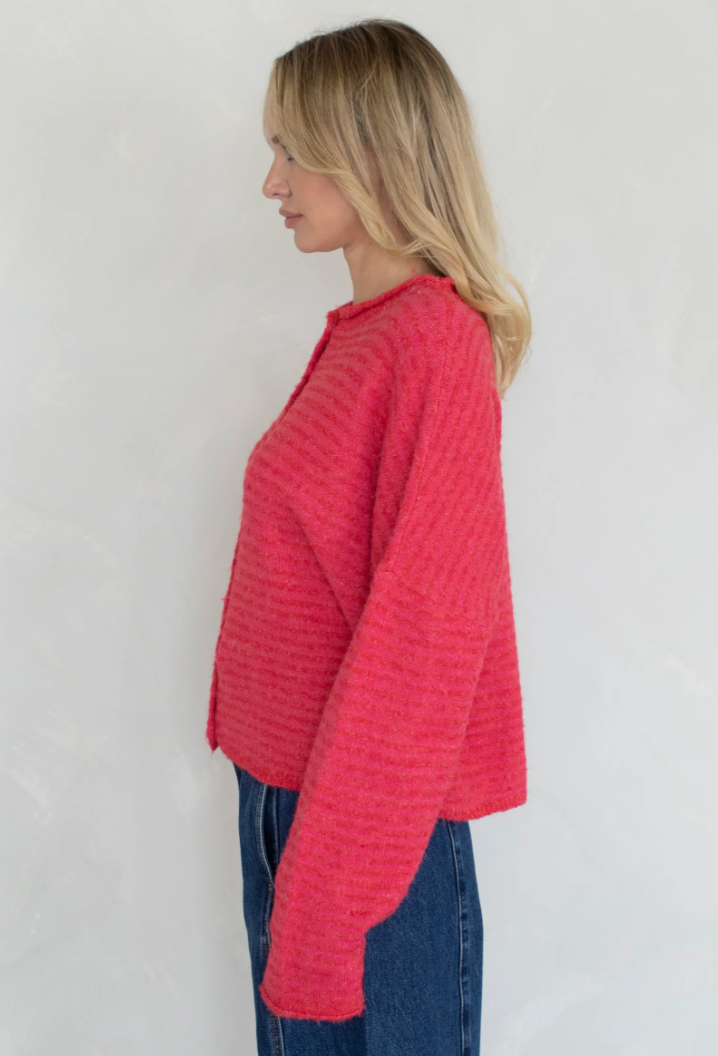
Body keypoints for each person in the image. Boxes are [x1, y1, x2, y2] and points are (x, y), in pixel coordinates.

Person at [205, 18, 531, 1056]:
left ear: (372, 153)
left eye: (291, 150)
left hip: (366, 836)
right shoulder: (371, 337)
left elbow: (424, 643)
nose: (273, 182)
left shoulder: (431, 344)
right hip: (297, 807)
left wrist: (328, 893)